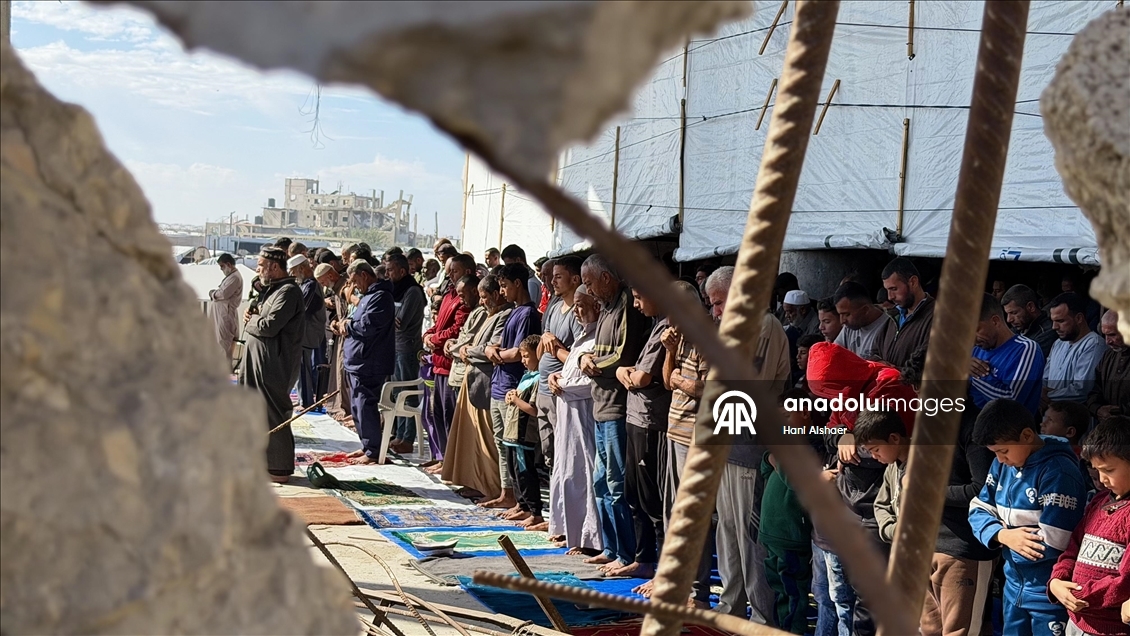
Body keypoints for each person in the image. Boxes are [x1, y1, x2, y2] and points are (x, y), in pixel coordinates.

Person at [806, 342, 918, 636]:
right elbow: (827, 430)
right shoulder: (842, 390)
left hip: (881, 501)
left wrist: (854, 440)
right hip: (849, 501)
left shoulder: (889, 385)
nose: (834, 397)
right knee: (844, 592)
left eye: (833, 390)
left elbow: (890, 445)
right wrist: (843, 435)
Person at [704, 266, 790, 621]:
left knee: (747, 538)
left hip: (749, 445)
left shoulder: (763, 326)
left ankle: (761, 618)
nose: (716, 311)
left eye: (719, 302)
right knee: (727, 533)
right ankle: (731, 606)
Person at [968, 399, 1088, 636]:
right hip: (1013, 588)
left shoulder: (1058, 471)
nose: (1000, 459)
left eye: (1003, 451)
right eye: (995, 453)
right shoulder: (1001, 465)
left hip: (1049, 595)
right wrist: (1003, 535)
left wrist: (1010, 536)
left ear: (1026, 435)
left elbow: (1057, 540)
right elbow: (977, 509)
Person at [577, 254, 649, 572]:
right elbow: (599, 352)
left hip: (618, 409)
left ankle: (626, 554)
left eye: (591, 283)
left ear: (606, 278)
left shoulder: (627, 311)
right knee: (601, 484)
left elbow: (623, 356)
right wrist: (584, 359)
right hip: (601, 406)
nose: (589, 291)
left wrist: (592, 365)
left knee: (618, 485)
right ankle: (611, 547)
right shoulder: (606, 308)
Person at [658, 280, 717, 607]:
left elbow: (704, 388)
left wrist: (681, 379)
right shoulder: (678, 339)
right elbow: (669, 381)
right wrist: (669, 353)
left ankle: (698, 591)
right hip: (675, 431)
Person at [608, 285, 672, 580]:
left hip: (651, 421)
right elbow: (632, 372)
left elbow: (642, 377)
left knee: (652, 499)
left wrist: (625, 373)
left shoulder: (669, 327)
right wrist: (626, 373)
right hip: (637, 417)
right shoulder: (656, 325)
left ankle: (659, 566)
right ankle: (643, 557)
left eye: (639, 297)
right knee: (633, 491)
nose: (635, 304)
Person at [1048, 417, 1130, 636]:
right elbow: (1073, 547)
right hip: (1076, 622)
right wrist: (1057, 580)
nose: (1102, 479)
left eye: (1109, 470)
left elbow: (1126, 580)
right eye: (1096, 470)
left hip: (1109, 628)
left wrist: (1080, 594)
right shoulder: (1098, 501)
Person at [443, 275, 513, 500]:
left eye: (485, 297)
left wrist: (466, 351)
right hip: (474, 381)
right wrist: (465, 349)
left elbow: (490, 348)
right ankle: (476, 482)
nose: (482, 302)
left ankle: (492, 488)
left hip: (487, 383)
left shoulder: (505, 315)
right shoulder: (487, 314)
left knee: (490, 443)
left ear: (495, 295)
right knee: (473, 440)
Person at [547, 285, 604, 555]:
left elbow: (591, 381)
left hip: (584, 416)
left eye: (583, 305)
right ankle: (568, 530)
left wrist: (564, 385)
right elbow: (570, 368)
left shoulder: (599, 339)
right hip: (567, 414)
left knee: (585, 473)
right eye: (577, 306)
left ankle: (590, 538)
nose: (578, 311)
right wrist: (554, 378)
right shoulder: (582, 337)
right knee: (566, 471)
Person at [480, 263, 542, 511]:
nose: (502, 292)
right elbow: (500, 346)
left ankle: (523, 501)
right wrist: (493, 351)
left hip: (514, 386)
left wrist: (495, 354)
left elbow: (518, 352)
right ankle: (509, 493)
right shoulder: (513, 312)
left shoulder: (528, 314)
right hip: (500, 385)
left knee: (518, 450)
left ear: (518, 283)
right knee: (503, 444)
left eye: (505, 286)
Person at [241, 247, 305, 483]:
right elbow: (258, 311)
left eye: (260, 265)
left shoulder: (288, 292)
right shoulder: (272, 290)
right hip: (258, 362)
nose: (257, 270)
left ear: (274, 267)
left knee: (272, 412)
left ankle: (278, 468)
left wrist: (251, 322)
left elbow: (269, 326)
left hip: (273, 364)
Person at [766, 390, 822, 635]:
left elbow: (797, 482)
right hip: (771, 530)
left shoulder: (811, 446)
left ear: (805, 414)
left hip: (791, 534)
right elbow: (765, 466)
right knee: (780, 590)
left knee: (793, 594)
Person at [338, 260, 396, 465]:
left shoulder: (381, 297)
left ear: (364, 275)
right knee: (357, 405)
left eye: (355, 281)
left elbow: (368, 326)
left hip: (370, 362)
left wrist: (349, 325)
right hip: (358, 361)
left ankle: (373, 450)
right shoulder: (368, 297)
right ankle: (366, 445)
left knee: (365, 404)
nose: (354, 287)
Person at [422, 253, 473, 464]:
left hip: (451, 362)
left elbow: (457, 329)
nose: (450, 275)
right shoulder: (449, 294)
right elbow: (439, 324)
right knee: (437, 413)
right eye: (449, 271)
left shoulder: (464, 298)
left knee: (450, 415)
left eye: (455, 271)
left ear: (467, 272)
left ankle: (452, 463)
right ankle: (443, 458)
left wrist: (436, 338)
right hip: (438, 361)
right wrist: (428, 335)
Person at [537, 256, 584, 470]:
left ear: (574, 279)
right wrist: (546, 341)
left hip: (561, 391)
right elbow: (541, 347)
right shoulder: (555, 307)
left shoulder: (578, 312)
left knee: (562, 450)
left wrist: (554, 348)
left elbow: (577, 360)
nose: (552, 282)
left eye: (558, 277)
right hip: (543, 389)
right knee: (547, 447)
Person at [970, 292, 1046, 416]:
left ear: (995, 321)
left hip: (1007, 430)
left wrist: (975, 376)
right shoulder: (976, 349)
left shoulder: (1025, 349)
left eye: (976, 330)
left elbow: (1011, 401)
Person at [501, 335, 544, 526]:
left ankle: (535, 511)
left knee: (525, 474)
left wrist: (516, 400)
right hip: (511, 435)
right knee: (514, 473)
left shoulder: (539, 379)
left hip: (523, 435)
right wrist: (511, 396)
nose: (524, 360)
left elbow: (534, 410)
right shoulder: (527, 376)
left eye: (527, 356)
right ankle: (522, 505)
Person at [386, 253, 426, 455]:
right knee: (396, 393)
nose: (387, 274)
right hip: (393, 348)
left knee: (408, 394)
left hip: (407, 349)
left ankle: (408, 438)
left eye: (391, 270)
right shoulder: (394, 290)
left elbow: (400, 323)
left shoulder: (412, 292)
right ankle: (399, 434)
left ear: (402, 271)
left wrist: (385, 317)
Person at [856, 410, 911, 546]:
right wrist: (892, 530)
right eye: (870, 452)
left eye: (876, 450)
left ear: (894, 438)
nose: (874, 457)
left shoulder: (922, 464)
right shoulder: (891, 467)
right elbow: (880, 505)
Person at [1044, 293, 1109, 405]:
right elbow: (1045, 379)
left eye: (1060, 321)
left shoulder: (1094, 345)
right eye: (1053, 321)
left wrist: (1047, 396)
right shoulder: (1058, 343)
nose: (1054, 327)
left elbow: (1081, 390)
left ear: (1079, 318)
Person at [877, 257, 935, 369]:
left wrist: (893, 372)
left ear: (913, 282)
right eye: (887, 290)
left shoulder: (937, 318)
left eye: (894, 289)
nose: (890, 297)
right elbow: (873, 351)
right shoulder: (893, 315)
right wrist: (879, 362)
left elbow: (929, 366)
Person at [289, 254, 326, 409]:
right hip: (303, 333)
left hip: (308, 334)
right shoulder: (305, 284)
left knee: (304, 369)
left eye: (293, 272)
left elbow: (302, 309)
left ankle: (306, 401)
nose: (292, 275)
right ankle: (303, 398)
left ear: (302, 268)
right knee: (300, 368)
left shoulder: (311, 285)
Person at [316, 263, 351, 423]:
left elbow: (350, 313)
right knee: (338, 370)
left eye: (323, 282)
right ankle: (339, 406)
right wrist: (334, 322)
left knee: (344, 372)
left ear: (330, 276)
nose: (324, 286)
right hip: (340, 333)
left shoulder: (345, 286)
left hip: (349, 336)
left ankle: (345, 409)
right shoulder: (337, 288)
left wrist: (340, 322)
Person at [1087, 310, 1128, 422]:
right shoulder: (1108, 356)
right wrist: (1097, 409)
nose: (1107, 341)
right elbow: (1095, 389)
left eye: (1112, 335)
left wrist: (1119, 415)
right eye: (1105, 335)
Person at [832, 281, 891, 360]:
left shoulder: (888, 328)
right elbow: (834, 353)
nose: (842, 321)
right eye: (840, 314)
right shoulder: (849, 326)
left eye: (847, 314)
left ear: (865, 310)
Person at [1002, 284, 1059, 358]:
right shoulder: (1017, 329)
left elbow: (1021, 359)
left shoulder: (1047, 332)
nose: (1009, 319)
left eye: (1014, 313)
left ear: (1031, 307)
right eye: (1007, 314)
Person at [208, 253, 243, 359]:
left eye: (222, 266)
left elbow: (223, 293)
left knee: (224, 346)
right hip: (221, 315)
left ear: (229, 264)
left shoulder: (235, 277)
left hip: (225, 315)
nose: (221, 269)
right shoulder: (231, 277)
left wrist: (213, 293)